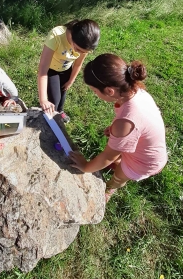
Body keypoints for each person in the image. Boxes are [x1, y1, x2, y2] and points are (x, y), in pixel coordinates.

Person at [69, 53, 167, 202]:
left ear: (109, 91)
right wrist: (118, 131)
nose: (95, 94)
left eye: (95, 91)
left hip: (144, 162)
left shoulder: (126, 122)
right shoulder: (136, 91)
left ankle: (110, 188)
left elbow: (109, 156)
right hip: (145, 149)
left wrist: (85, 166)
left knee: (120, 174)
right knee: (117, 160)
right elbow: (139, 124)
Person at [38, 19, 100, 123]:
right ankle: (52, 115)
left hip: (66, 69)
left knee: (63, 92)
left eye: (83, 52)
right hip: (51, 70)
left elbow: (77, 64)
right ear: (72, 37)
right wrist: (43, 99)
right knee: (55, 100)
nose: (79, 53)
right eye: (78, 49)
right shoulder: (56, 36)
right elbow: (43, 69)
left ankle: (60, 111)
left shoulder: (85, 43)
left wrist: (71, 81)